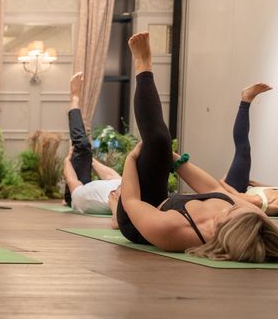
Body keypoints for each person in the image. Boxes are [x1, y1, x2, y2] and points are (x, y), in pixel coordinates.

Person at [116, 32, 278, 262]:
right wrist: (174, 160)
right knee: (164, 147)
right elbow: (213, 187)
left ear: (222, 233)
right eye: (235, 208)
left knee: (159, 140)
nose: (228, 207)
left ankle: (143, 64)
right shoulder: (251, 218)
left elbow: (132, 202)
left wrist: (131, 159)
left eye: (228, 213)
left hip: (140, 211)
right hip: (171, 200)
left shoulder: (174, 231)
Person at [62, 71, 122, 220]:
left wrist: (67, 161)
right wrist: (90, 159)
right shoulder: (124, 186)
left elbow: (72, 181)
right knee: (86, 151)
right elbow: (111, 176)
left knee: (82, 146)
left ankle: (74, 98)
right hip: (90, 184)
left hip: (77, 188)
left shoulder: (88, 198)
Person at [218, 82, 278, 216]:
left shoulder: (267, 203)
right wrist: (250, 181)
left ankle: (246, 100)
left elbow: (237, 195)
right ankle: (246, 100)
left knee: (243, 150)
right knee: (244, 149)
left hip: (232, 193)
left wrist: (221, 183)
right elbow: (261, 186)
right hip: (243, 186)